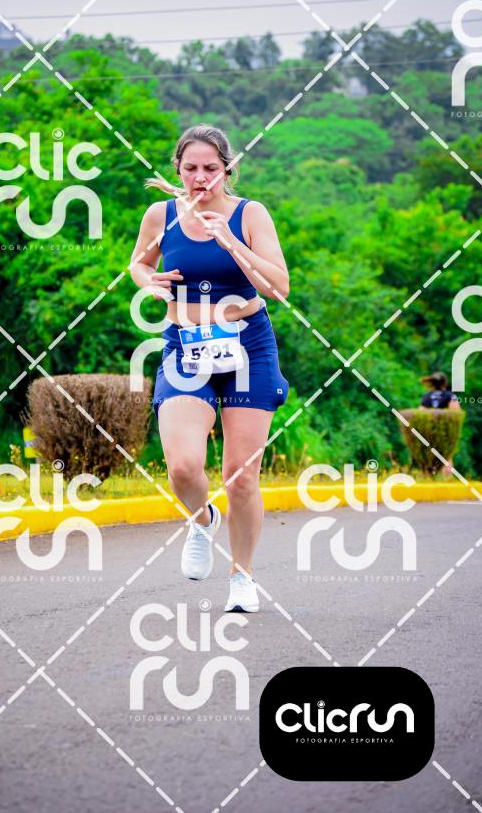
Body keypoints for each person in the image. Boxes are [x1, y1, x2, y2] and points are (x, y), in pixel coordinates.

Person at [129, 124, 289, 612]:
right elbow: (138, 263)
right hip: (186, 346)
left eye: (211, 169)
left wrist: (232, 243)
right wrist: (149, 281)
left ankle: (242, 576)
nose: (201, 178)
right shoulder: (161, 215)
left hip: (248, 346)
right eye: (191, 168)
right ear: (178, 169)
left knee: (240, 475)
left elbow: (279, 287)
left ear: (227, 169)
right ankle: (203, 522)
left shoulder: (249, 214)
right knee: (182, 467)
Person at [419, 371, 461, 476]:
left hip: (429, 431)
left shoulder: (426, 396)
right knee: (447, 457)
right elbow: (456, 412)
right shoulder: (450, 395)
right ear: (445, 383)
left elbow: (420, 413)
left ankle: (428, 479)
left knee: (428, 456)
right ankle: (447, 480)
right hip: (445, 431)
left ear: (432, 383)